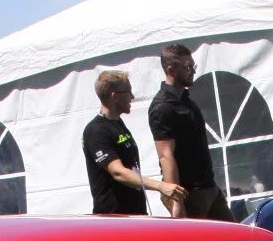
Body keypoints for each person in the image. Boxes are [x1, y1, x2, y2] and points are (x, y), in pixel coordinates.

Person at [81, 70, 185, 216]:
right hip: (114, 217)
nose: (132, 97)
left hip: (135, 213)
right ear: (114, 96)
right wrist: (160, 186)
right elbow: (118, 172)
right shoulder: (96, 131)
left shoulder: (117, 124)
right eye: (128, 92)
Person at [148, 44, 231, 220]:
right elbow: (166, 156)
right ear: (170, 69)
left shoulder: (186, 100)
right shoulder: (163, 107)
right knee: (199, 238)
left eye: (193, 66)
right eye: (187, 67)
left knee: (235, 235)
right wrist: (176, 200)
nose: (192, 71)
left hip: (208, 187)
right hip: (189, 193)